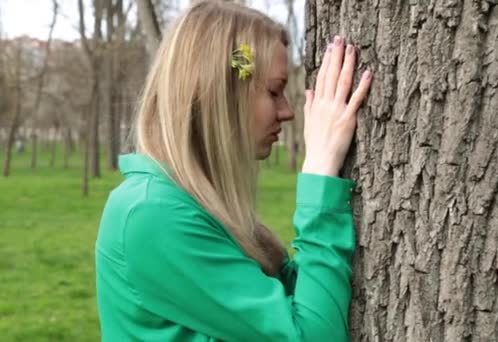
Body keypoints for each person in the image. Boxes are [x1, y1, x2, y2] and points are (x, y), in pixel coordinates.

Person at [95, 1, 373, 341]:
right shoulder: (152, 215)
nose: (287, 111)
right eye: (274, 91)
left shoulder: (190, 202)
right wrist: (321, 171)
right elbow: (312, 335)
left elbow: (301, 300)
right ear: (221, 94)